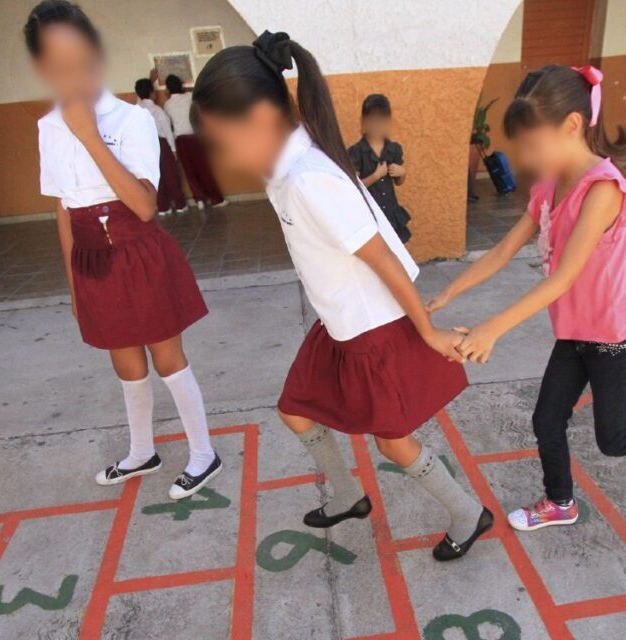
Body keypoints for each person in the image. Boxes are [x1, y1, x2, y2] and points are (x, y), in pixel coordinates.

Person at [191, 31, 492, 560]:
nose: (222, 153)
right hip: (338, 326)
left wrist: (428, 331)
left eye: (223, 137)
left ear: (260, 121)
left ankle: (469, 514)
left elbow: (383, 257)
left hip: (373, 330)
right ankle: (350, 495)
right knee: (296, 410)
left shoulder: (308, 180)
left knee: (393, 442)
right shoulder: (287, 163)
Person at [427, 65, 626, 532]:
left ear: (572, 126)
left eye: (532, 144)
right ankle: (560, 502)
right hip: (577, 330)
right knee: (546, 419)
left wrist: (491, 329)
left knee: (615, 439)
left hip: (616, 333)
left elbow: (562, 278)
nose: (525, 157)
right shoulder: (549, 184)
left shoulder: (603, 189)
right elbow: (504, 249)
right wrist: (445, 295)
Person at [27, 0, 220, 499]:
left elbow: (143, 205)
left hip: (138, 251)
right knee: (125, 364)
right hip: (91, 259)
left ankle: (203, 453)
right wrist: (74, 284)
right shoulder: (48, 127)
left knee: (166, 357)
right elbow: (63, 210)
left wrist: (90, 137)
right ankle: (142, 453)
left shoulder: (130, 120)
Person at [348, 94, 411, 243]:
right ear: (364, 122)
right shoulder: (356, 152)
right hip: (369, 214)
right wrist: (376, 176)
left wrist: (402, 172)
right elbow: (354, 187)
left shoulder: (394, 149)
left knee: (395, 250)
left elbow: (399, 182)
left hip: (390, 212)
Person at [163, 73, 228, 209]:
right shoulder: (189, 97)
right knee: (204, 169)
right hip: (194, 137)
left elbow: (169, 124)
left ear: (167, 89)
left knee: (189, 172)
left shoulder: (167, 104)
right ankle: (216, 199)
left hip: (180, 141)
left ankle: (199, 200)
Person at [135, 77, 187, 214]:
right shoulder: (157, 110)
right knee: (171, 175)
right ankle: (180, 205)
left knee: (155, 178)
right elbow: (167, 131)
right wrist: (173, 149)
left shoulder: (135, 110)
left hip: (144, 147)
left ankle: (163, 207)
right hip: (160, 144)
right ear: (152, 93)